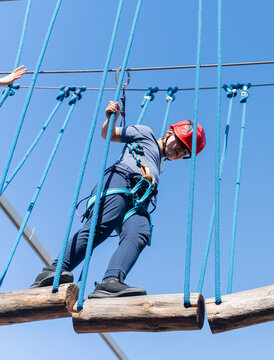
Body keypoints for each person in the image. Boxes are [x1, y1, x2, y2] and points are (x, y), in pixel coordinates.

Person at [30, 101, 206, 298]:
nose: (180, 151)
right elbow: (109, 134)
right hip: (121, 181)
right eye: (181, 144)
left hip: (139, 199)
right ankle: (54, 270)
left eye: (185, 152)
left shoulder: (158, 163)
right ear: (169, 133)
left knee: (140, 232)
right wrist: (109, 118)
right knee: (101, 226)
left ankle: (111, 282)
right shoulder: (145, 133)